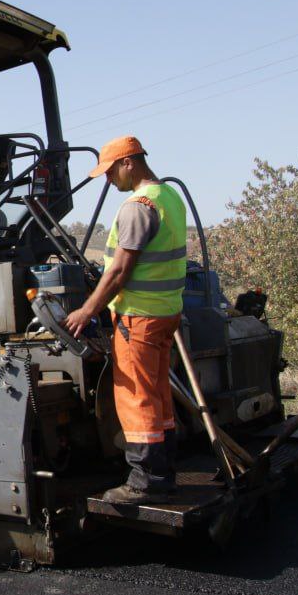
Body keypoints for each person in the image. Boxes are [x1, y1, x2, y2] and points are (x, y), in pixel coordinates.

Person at [63, 136, 187, 504]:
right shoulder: (170, 197)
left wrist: (87, 310)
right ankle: (163, 472)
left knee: (136, 397)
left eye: (110, 171)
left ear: (129, 162)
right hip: (166, 312)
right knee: (159, 395)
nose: (108, 180)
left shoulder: (138, 206)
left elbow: (119, 272)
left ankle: (144, 481)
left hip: (139, 317)